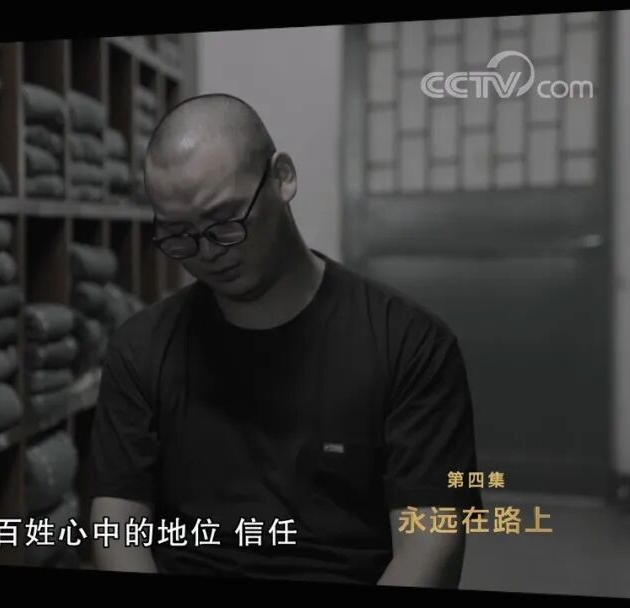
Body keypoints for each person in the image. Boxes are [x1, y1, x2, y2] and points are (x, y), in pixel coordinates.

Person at [88, 94, 482, 586]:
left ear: (283, 177)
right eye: (179, 234)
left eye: (225, 220)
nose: (208, 251)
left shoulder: (410, 343)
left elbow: (429, 540)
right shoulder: (140, 348)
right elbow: (116, 524)